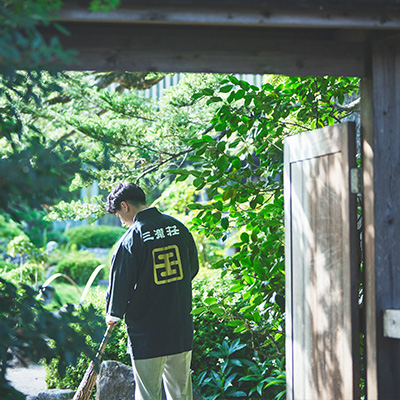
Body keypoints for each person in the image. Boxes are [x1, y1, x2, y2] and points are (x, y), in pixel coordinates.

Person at [105, 182, 199, 400]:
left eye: (118, 215)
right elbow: (192, 269)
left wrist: (113, 313)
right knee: (181, 393)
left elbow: (121, 283)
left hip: (147, 333)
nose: (121, 222)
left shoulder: (131, 239)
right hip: (179, 326)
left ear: (125, 206)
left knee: (148, 394)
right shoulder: (178, 228)